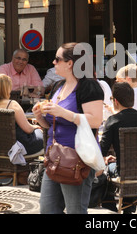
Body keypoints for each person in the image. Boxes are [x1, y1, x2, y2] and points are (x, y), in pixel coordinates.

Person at [32, 42, 104, 214]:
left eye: (57, 59)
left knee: (75, 211)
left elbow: (95, 120)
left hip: (77, 159)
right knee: (47, 209)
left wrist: (63, 113)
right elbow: (52, 126)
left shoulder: (89, 86)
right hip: (54, 157)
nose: (53, 62)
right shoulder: (59, 86)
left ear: (70, 63)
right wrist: (40, 117)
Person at [100, 82, 137, 213]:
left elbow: (101, 151)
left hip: (125, 172)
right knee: (130, 167)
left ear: (116, 101)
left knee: (109, 167)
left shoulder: (113, 121)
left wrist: (109, 158)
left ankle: (111, 206)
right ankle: (129, 208)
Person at [0, 73, 43, 155]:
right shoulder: (11, 104)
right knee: (42, 132)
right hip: (19, 146)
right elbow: (28, 129)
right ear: (6, 88)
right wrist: (36, 127)